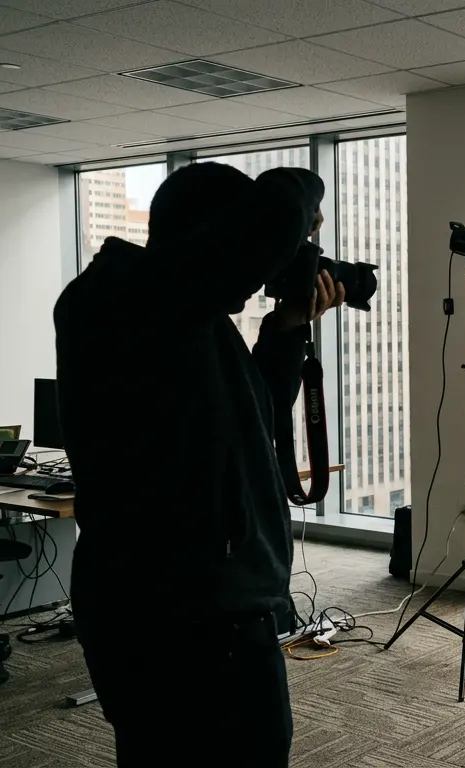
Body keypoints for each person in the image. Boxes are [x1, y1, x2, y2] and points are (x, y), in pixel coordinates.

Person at [53, 162, 345, 766]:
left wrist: (287, 330)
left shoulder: (183, 319)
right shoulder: (122, 298)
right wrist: (303, 199)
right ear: (212, 235)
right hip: (182, 624)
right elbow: (272, 212)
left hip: (203, 614)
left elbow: (247, 420)